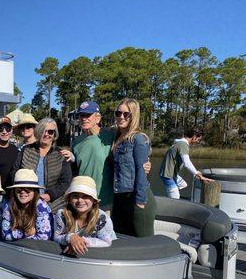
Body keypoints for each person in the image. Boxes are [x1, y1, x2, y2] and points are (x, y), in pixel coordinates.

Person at [111, 98, 156, 237]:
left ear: (134, 116)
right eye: (118, 113)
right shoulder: (116, 137)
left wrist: (140, 202)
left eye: (126, 114)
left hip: (136, 198)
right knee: (120, 239)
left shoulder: (138, 139)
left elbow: (141, 171)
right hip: (119, 198)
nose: (121, 117)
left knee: (143, 244)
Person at [10, 118, 72, 213]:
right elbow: (14, 173)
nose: (46, 134)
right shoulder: (26, 150)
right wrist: (23, 192)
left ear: (54, 134)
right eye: (43, 130)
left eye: (50, 132)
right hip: (27, 204)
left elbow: (65, 181)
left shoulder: (61, 155)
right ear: (38, 131)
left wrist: (50, 195)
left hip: (53, 206)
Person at [54, 176, 116, 255]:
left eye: (85, 196)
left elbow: (107, 242)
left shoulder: (102, 217)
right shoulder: (62, 214)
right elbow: (57, 237)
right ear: (69, 199)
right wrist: (71, 237)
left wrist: (79, 243)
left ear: (93, 200)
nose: (80, 200)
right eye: (75, 196)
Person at [159, 128, 214, 199]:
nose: (198, 141)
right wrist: (197, 173)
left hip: (170, 174)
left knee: (183, 184)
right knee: (175, 199)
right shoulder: (183, 145)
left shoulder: (179, 143)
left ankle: (171, 195)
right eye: (198, 139)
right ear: (194, 137)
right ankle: (172, 198)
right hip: (168, 175)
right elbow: (187, 162)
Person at [1, 169, 52, 241]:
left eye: (28, 189)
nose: (23, 192)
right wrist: (26, 233)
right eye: (19, 189)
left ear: (35, 191)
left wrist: (15, 235)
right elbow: (5, 235)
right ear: (14, 191)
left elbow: (43, 238)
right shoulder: (9, 205)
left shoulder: (42, 207)